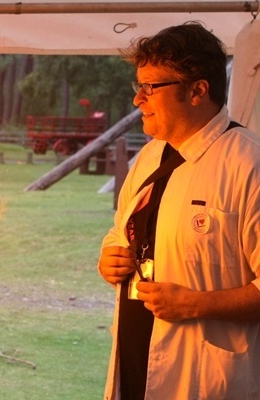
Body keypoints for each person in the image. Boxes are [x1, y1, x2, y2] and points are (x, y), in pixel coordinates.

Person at [97, 22, 260, 400]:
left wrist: (195, 304)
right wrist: (110, 257)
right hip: (135, 362)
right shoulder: (149, 156)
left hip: (207, 379)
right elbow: (122, 230)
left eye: (151, 87)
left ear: (198, 90)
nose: (138, 99)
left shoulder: (249, 165)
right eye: (139, 86)